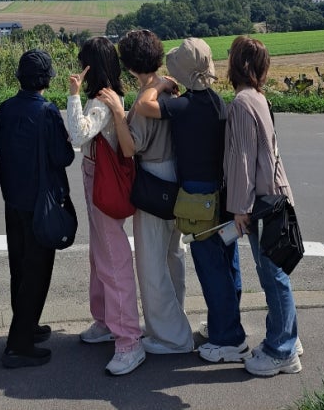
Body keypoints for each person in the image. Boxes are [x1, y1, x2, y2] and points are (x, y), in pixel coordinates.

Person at [134, 36, 248, 363]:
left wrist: (159, 84)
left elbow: (144, 106)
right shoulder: (217, 102)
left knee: (211, 269)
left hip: (198, 199)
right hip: (222, 193)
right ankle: (225, 325)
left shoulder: (184, 105)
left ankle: (229, 340)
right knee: (227, 263)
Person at [99, 29, 193, 356]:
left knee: (152, 265)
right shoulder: (170, 89)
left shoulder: (144, 102)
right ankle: (175, 320)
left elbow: (130, 149)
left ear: (129, 66)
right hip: (177, 177)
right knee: (173, 255)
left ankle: (171, 336)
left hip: (153, 177)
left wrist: (117, 113)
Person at [66, 36, 145, 376]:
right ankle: (104, 321)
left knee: (112, 259)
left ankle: (128, 341)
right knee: (100, 254)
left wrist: (72, 95)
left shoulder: (101, 101)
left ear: (91, 66)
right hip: (98, 176)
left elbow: (78, 135)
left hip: (101, 179)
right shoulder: (109, 97)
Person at [225, 35, 303, 377]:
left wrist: (239, 207)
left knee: (273, 276)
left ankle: (281, 350)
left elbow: (242, 160)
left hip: (263, 201)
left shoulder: (241, 103)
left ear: (238, 64)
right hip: (276, 196)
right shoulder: (258, 97)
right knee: (276, 274)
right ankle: (287, 339)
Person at [0, 49, 75, 369]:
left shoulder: (6, 108)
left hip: (14, 199)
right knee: (37, 273)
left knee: (19, 268)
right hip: (41, 202)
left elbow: (0, 148)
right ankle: (18, 345)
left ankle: (26, 325)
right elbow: (63, 157)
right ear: (45, 80)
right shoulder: (47, 111)